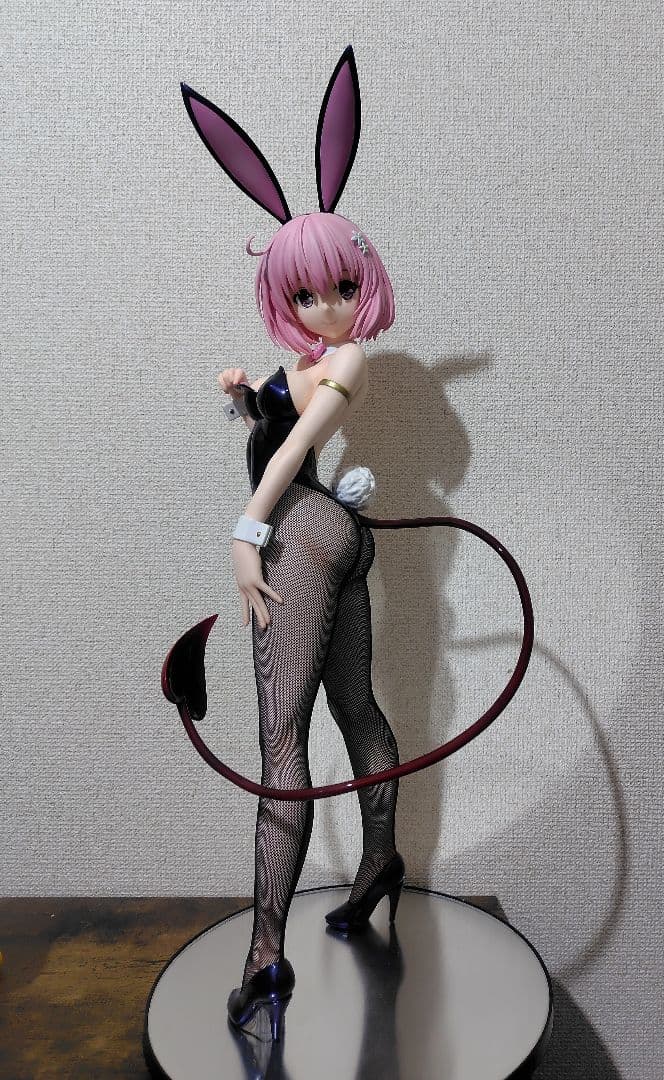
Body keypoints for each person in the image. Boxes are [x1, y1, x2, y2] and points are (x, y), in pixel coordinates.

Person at [178, 49, 405, 1041]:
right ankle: (379, 864)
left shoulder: (344, 360)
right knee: (355, 705)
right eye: (306, 295)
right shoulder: (313, 359)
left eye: (340, 287)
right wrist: (244, 398)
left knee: (282, 742)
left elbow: (293, 452)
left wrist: (246, 531)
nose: (327, 307)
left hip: (302, 530)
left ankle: (265, 953)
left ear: (364, 281)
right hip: (332, 530)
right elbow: (276, 428)